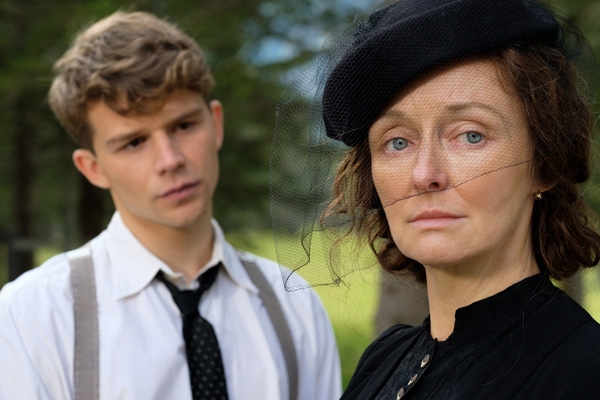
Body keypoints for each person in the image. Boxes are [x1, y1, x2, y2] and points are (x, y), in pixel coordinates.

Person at [0, 11, 341, 400]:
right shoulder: (33, 317)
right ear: (92, 168)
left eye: (183, 126)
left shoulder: (293, 305)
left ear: (216, 123)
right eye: (134, 142)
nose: (170, 160)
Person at [271, 0, 600, 398]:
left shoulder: (585, 370)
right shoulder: (384, 359)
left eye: (470, 135)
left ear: (544, 163)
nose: (424, 174)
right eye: (397, 142)